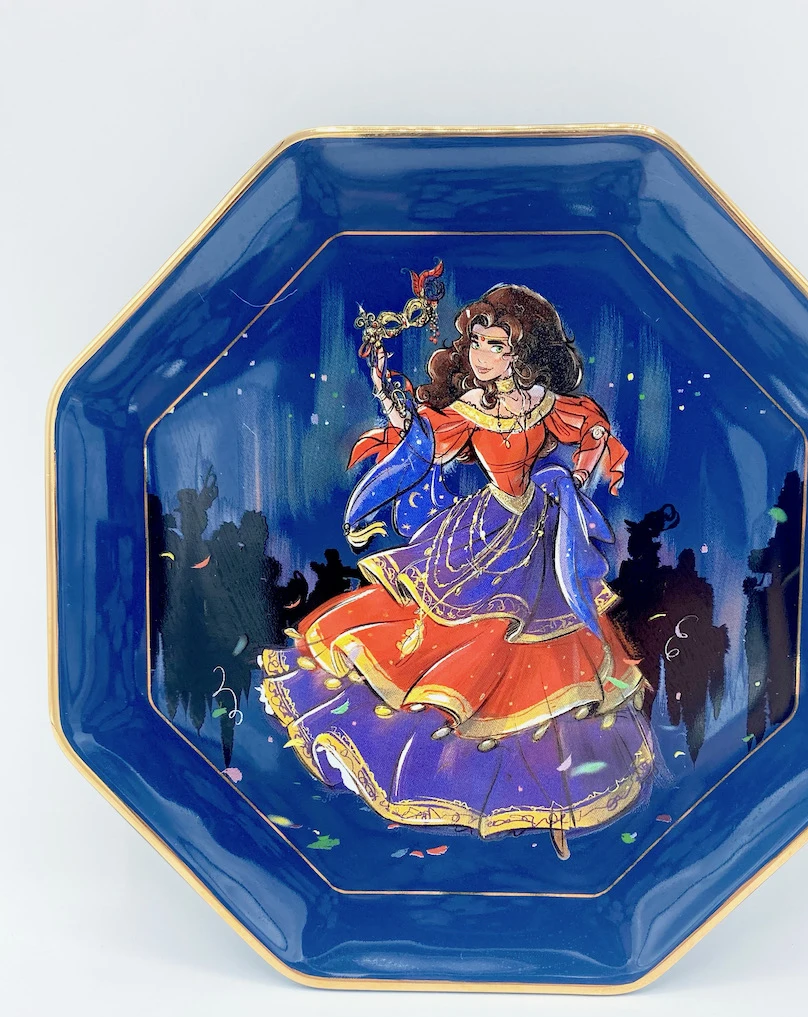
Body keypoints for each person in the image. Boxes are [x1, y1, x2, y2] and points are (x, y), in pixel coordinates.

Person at [259, 284, 653, 859]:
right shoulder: (467, 412)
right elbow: (423, 447)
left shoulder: (549, 404)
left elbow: (591, 431)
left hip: (540, 534)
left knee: (550, 649)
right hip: (483, 535)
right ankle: (451, 772)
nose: (480, 354)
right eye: (475, 342)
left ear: (525, 352)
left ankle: (548, 790)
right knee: (473, 638)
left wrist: (582, 473)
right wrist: (393, 404)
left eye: (496, 344)